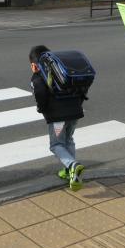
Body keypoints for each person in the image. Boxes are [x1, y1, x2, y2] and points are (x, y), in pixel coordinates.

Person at [29, 45, 86, 191]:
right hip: (75, 113)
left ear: (34, 65)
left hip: (58, 118)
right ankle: (69, 172)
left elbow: (40, 94)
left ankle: (72, 165)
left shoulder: (38, 77)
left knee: (56, 145)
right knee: (68, 140)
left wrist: (41, 109)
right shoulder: (63, 70)